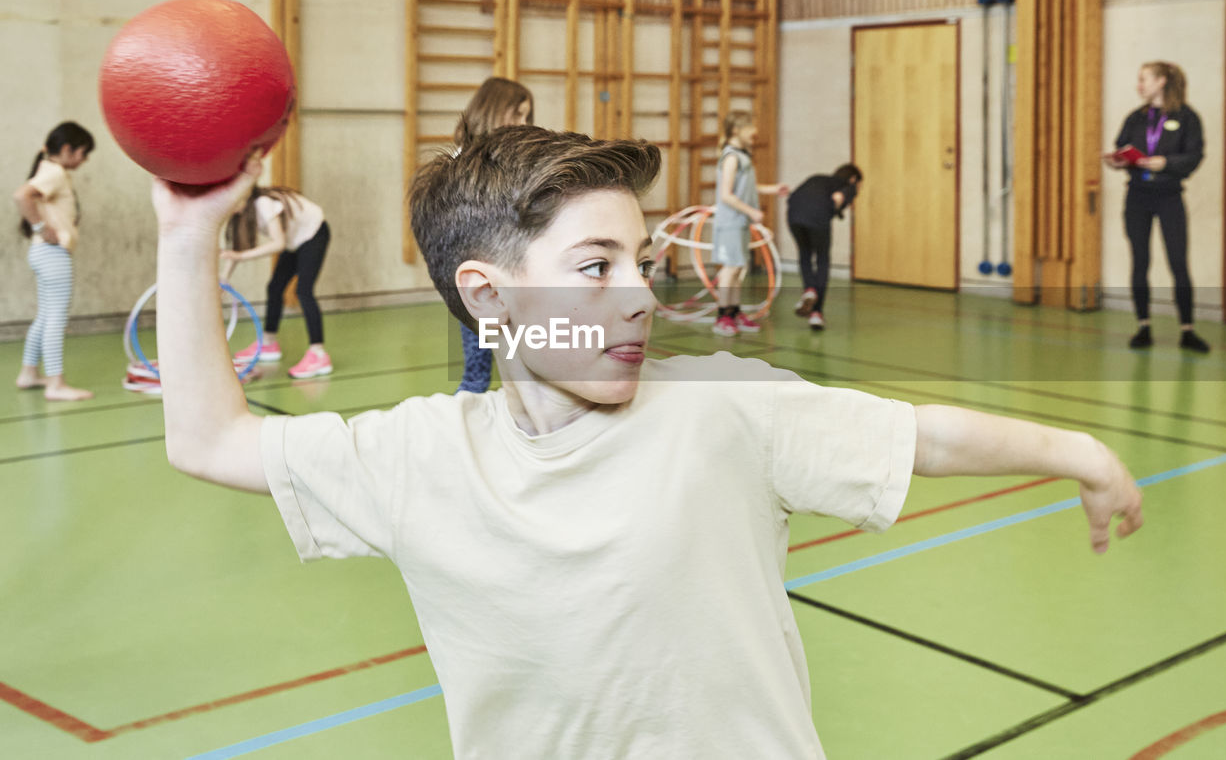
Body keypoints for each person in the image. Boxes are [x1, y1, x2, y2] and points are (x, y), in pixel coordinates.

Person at [153, 125, 1143, 759]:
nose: (636, 290)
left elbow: (918, 434)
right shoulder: (419, 458)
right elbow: (207, 438)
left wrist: (1075, 451)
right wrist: (190, 230)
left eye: (642, 259)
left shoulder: (721, 410)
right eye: (595, 264)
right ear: (488, 296)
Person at [1104, 61, 1209, 353]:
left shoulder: (1187, 118)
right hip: (1138, 195)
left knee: (1178, 262)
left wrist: (1166, 163)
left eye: (1143, 79)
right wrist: (1117, 160)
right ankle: (1143, 326)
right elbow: (1121, 146)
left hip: (1169, 196)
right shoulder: (1135, 118)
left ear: (1161, 82)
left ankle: (1187, 330)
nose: (1139, 85)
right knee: (1140, 261)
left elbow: (1195, 155)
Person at [452, 76, 534, 393]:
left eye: (527, 116)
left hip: (512, 273)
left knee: (522, 363)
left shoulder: (513, 157)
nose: (522, 123)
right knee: (477, 369)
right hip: (480, 278)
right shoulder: (465, 159)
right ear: (494, 111)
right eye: (517, 114)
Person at [12, 122, 95, 401]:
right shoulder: (55, 172)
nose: (84, 160)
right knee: (56, 319)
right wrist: (39, 227)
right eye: (84, 153)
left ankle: (29, 373)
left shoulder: (50, 170)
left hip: (43, 254)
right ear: (68, 149)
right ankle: (56, 384)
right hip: (52, 255)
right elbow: (22, 195)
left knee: (46, 316)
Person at [222, 184, 332, 379]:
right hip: (295, 241)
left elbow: (278, 243)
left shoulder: (262, 204)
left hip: (315, 234)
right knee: (274, 288)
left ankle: (318, 354)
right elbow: (236, 249)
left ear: (243, 196)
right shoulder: (241, 214)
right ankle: (268, 343)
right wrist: (224, 279)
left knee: (303, 291)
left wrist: (242, 256)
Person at [711, 111, 789, 336]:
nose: (754, 132)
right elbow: (726, 195)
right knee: (730, 269)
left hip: (740, 222)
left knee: (737, 267)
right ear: (736, 130)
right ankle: (722, 316)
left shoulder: (743, 155)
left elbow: (744, 189)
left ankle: (734, 312)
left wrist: (772, 189)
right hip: (730, 222)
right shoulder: (732, 157)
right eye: (750, 128)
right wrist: (751, 212)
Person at [786, 163, 861, 331]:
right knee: (822, 260)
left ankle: (809, 289)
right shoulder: (849, 185)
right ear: (853, 179)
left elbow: (793, 196)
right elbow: (839, 196)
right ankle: (816, 313)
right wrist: (842, 198)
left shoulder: (817, 178)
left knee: (805, 254)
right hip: (818, 216)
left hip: (794, 215)